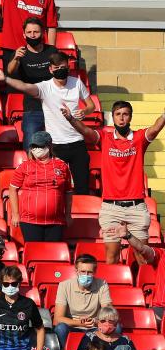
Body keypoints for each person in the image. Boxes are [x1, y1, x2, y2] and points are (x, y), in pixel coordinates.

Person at [62, 99, 164, 263]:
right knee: (111, 257)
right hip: (111, 208)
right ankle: (113, 288)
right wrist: (71, 119)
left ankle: (141, 289)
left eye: (125, 114)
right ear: (113, 117)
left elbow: (154, 129)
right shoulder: (104, 138)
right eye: (118, 114)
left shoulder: (139, 139)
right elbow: (87, 132)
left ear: (130, 117)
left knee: (142, 257)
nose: (122, 118)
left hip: (136, 207)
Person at [0, 53, 93, 194]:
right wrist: (6, 79)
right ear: (50, 70)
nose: (60, 70)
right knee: (57, 188)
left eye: (63, 67)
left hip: (78, 142)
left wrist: (85, 111)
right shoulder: (45, 87)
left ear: (68, 67)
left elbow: (91, 105)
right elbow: (25, 86)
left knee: (82, 187)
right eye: (56, 67)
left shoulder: (77, 83)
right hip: (56, 145)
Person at [8, 131, 74, 242]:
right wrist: (15, 214)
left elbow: (68, 192)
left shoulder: (62, 166)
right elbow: (12, 189)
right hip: (29, 221)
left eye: (40, 145)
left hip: (56, 221)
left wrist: (68, 214)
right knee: (34, 253)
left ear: (49, 146)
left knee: (53, 255)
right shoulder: (24, 166)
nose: (36, 149)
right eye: (34, 146)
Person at [5, 17, 57, 147]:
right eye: (29, 32)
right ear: (24, 34)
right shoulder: (21, 53)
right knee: (31, 145)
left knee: (57, 146)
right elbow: (10, 71)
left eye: (36, 32)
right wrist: (16, 58)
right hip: (32, 108)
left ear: (43, 33)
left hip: (54, 106)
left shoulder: (52, 51)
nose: (32, 35)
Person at [53, 255, 111, 350]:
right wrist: (80, 323)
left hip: (94, 326)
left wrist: (95, 321)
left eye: (90, 272)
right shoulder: (64, 286)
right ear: (76, 271)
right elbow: (57, 319)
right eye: (83, 272)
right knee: (60, 328)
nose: (86, 275)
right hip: (72, 326)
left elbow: (108, 313)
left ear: (95, 272)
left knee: (115, 327)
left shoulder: (102, 284)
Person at [72, 306, 140, 350]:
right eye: (103, 321)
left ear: (116, 323)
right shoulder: (90, 338)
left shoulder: (125, 340)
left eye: (110, 321)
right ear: (98, 322)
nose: (106, 323)